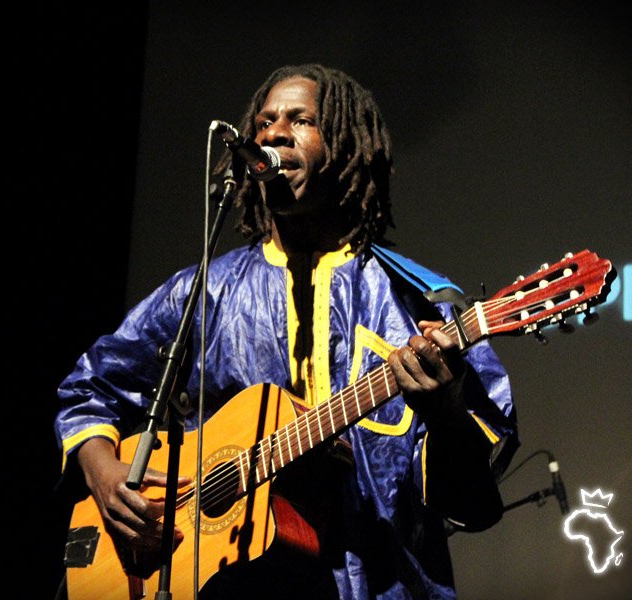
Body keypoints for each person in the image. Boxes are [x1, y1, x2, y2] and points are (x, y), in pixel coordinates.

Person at [54, 63, 518, 599]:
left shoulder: (415, 302)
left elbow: (474, 505)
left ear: (344, 147)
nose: (273, 133)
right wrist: (105, 476)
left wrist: (445, 412)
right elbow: (90, 389)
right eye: (265, 121)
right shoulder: (207, 290)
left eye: (300, 120)